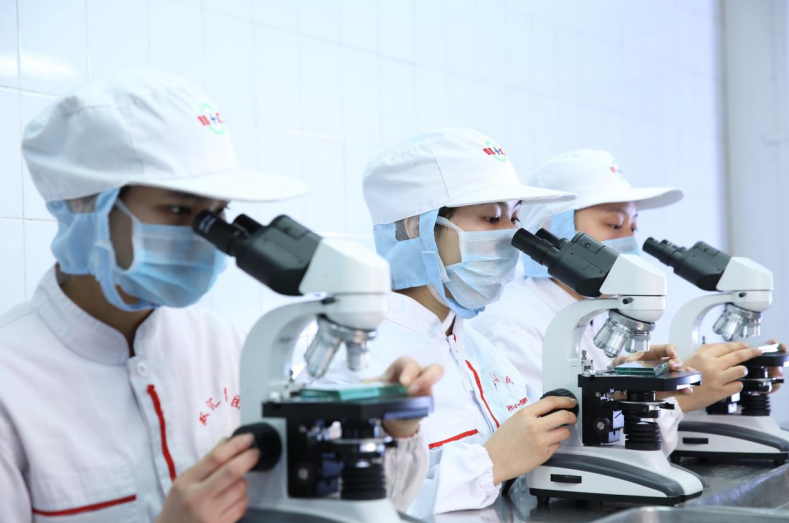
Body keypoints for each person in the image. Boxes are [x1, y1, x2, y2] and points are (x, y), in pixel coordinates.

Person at [0, 70, 440, 523]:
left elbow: (339, 505)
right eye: (178, 209)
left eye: (217, 213)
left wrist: (392, 428)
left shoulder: (225, 346)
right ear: (89, 210)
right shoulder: (11, 386)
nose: (203, 235)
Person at [315, 128, 583, 517]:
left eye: (514, 217)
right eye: (491, 217)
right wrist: (490, 463)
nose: (512, 235)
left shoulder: (476, 348)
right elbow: (350, 502)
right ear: (417, 230)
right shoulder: (352, 359)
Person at [472, 149, 770, 449]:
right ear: (553, 232)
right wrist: (678, 399)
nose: (628, 239)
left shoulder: (597, 309)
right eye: (614, 225)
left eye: (633, 226)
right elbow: (547, 448)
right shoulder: (512, 327)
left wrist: (718, 385)